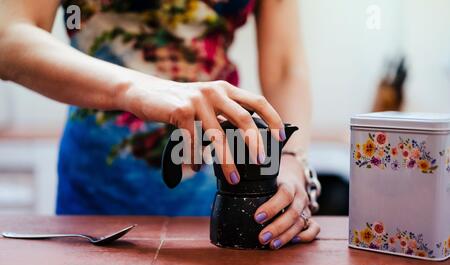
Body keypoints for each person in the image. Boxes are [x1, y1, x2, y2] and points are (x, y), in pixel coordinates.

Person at [0, 0, 320, 249]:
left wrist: (292, 161)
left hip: (218, 194)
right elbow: (7, 36)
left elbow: (284, 68)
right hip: (97, 198)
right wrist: (134, 87)